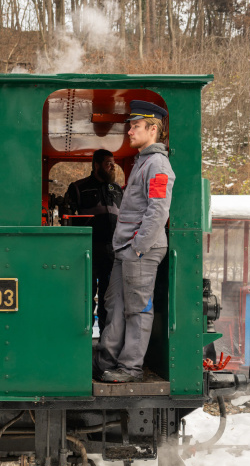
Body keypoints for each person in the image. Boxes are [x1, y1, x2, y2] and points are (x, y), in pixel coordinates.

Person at [94, 100, 175, 383]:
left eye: (136, 126)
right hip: (125, 249)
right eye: (130, 126)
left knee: (136, 310)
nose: (130, 131)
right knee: (113, 304)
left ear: (153, 129)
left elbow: (158, 209)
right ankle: (105, 361)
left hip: (140, 249)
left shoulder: (158, 164)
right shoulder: (143, 161)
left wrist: (139, 247)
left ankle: (130, 368)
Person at [63, 149, 123, 338]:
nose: (112, 167)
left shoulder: (118, 190)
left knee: (110, 298)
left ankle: (106, 341)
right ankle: (83, 339)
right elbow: (68, 221)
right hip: (86, 251)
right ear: (96, 165)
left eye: (113, 163)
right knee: (86, 296)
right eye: (108, 163)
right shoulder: (78, 188)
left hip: (113, 251)